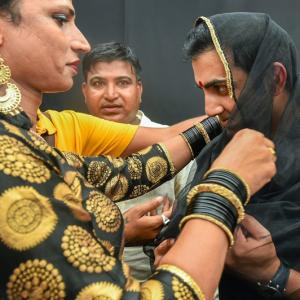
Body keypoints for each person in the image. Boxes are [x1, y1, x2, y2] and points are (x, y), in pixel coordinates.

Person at [0, 1, 276, 299]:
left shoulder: (24, 140)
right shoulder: (7, 156)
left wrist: (222, 117)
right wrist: (224, 186)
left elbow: (129, 173)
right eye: (59, 19)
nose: (83, 43)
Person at [158, 12, 300, 299]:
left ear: (275, 79)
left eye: (222, 88)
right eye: (204, 89)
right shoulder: (220, 147)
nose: (210, 108)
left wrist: (275, 274)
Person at [81, 41, 192, 280]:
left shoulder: (175, 145)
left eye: (123, 83)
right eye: (98, 83)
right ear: (84, 92)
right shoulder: (66, 145)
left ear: (139, 90)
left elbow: (197, 234)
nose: (111, 95)